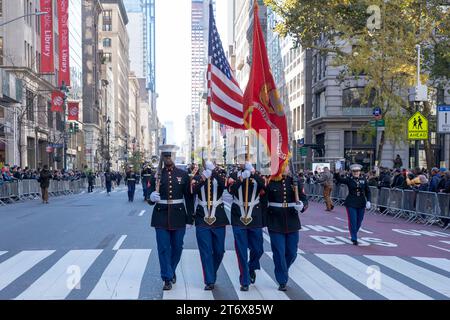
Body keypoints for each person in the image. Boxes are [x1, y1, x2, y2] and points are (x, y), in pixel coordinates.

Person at [148, 145, 194, 291]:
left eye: (170, 156)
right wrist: (151, 197)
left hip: (179, 215)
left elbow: (189, 197)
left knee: (177, 247)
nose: (168, 159)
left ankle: (171, 269)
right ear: (163, 157)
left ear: (174, 157)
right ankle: (167, 278)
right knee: (163, 248)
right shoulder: (156, 175)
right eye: (166, 156)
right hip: (160, 215)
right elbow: (149, 194)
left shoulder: (183, 174)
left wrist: (190, 218)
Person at [264, 165, 307, 291]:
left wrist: (302, 205)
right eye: (281, 166)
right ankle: (282, 280)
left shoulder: (295, 182)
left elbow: (304, 198)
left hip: (292, 221)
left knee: (292, 253)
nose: (284, 168)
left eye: (286, 166)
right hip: (275, 221)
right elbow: (263, 200)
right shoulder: (270, 181)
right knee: (279, 252)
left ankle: (283, 269)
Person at [191, 160, 229, 290]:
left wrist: (214, 172)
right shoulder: (197, 177)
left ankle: (211, 271)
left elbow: (225, 185)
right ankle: (209, 280)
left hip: (218, 217)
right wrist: (203, 177)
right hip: (202, 217)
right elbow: (193, 191)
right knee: (205, 251)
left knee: (219, 251)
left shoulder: (219, 176)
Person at [228, 161, 265, 291]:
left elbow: (264, 187)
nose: (243, 162)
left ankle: (251, 267)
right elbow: (231, 190)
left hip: (254, 215)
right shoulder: (233, 175)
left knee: (258, 249)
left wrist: (253, 174)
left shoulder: (257, 175)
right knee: (241, 250)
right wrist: (242, 178)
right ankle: (244, 280)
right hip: (238, 215)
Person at [336, 164, 371, 245]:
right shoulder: (349, 179)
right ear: (352, 172)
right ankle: (354, 237)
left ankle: (354, 232)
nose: (356, 173)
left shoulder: (364, 179)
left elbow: (368, 191)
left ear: (360, 172)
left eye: (357, 171)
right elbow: (339, 179)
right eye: (354, 171)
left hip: (361, 202)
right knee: (353, 220)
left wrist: (368, 200)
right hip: (351, 202)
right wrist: (337, 173)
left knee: (359, 221)